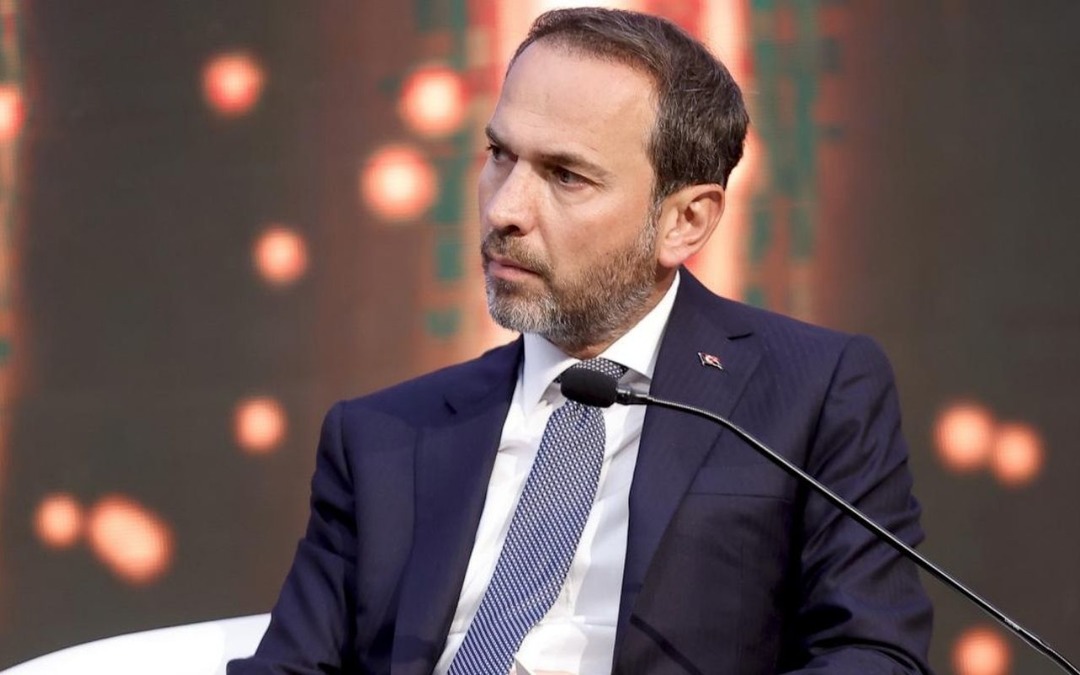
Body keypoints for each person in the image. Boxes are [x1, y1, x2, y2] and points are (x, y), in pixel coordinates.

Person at [229, 7, 933, 674]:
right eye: (499, 155)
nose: (505, 210)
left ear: (684, 221)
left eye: (566, 176)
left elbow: (873, 654)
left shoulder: (812, 393)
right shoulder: (380, 437)